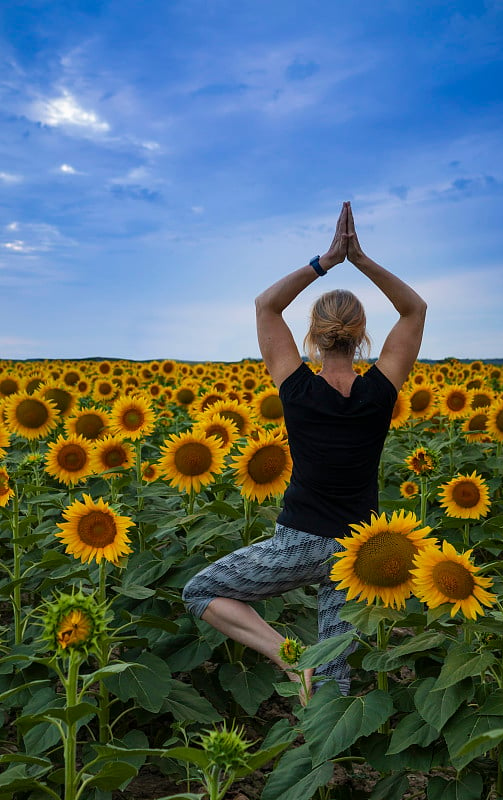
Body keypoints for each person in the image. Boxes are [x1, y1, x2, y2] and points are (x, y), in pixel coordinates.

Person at [182, 201, 426, 699]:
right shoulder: (381, 391)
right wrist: (361, 260)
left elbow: (266, 305)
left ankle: (292, 660)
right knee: (337, 684)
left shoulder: (295, 387)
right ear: (361, 337)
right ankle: (329, 762)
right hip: (358, 550)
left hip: (296, 543)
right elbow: (415, 309)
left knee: (200, 591)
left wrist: (327, 261)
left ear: (312, 335)